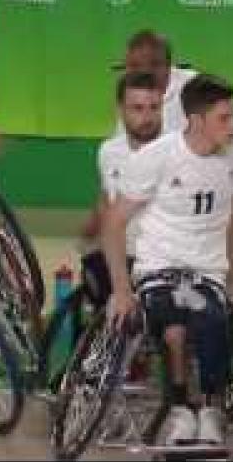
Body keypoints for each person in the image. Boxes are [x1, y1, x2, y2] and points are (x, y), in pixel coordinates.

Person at [103, 74, 233, 445]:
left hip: (208, 269)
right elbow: (113, 222)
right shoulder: (158, 156)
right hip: (160, 265)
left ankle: (208, 408)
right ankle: (179, 407)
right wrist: (122, 290)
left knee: (211, 318)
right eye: (225, 118)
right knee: (173, 327)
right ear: (196, 120)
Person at [79, 71, 165, 305]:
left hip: (163, 262)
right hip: (120, 256)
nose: (147, 117)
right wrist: (92, 229)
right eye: (137, 108)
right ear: (121, 110)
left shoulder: (177, 153)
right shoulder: (109, 152)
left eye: (154, 107)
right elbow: (108, 202)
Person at [117, 30, 196, 135]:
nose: (145, 72)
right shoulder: (128, 92)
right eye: (135, 66)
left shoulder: (197, 88)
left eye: (154, 64)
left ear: (169, 66)